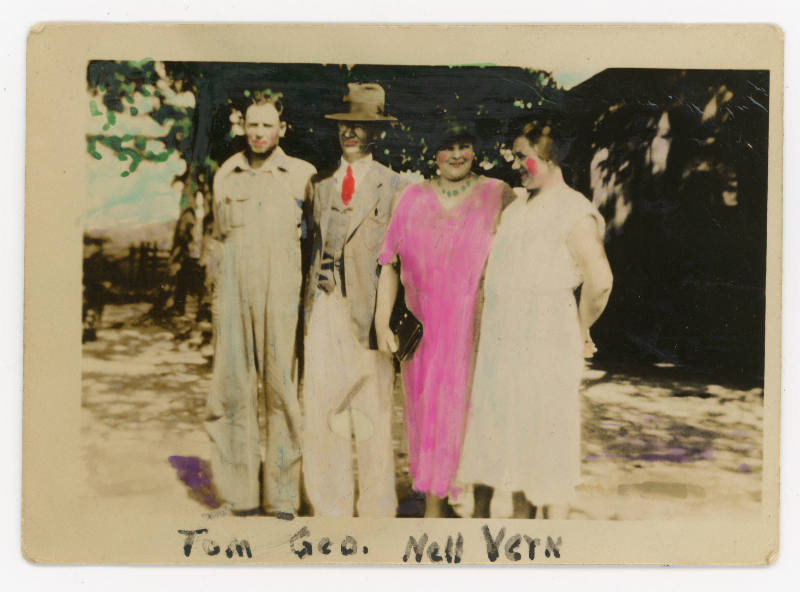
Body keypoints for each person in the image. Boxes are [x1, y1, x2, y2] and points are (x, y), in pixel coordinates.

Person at [458, 119, 613, 519]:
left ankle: (550, 556)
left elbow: (600, 280)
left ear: (549, 157)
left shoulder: (573, 209)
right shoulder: (517, 209)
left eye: (523, 157)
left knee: (546, 443)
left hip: (546, 338)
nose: (515, 165)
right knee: (510, 442)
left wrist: (581, 330)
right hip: (503, 340)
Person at [374, 120, 515, 517]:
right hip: (425, 333)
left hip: (478, 327)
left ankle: (473, 508)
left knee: (475, 413)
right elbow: (388, 263)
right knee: (428, 415)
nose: (456, 154)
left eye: (465, 145)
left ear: (476, 149)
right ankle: (434, 507)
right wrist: (384, 324)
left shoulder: (497, 194)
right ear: (432, 153)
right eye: (448, 146)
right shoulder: (411, 197)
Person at [204, 94, 316, 516]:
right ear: (242, 126)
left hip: (282, 295)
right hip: (234, 294)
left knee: (281, 390)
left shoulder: (301, 175)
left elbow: (312, 240)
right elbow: (218, 237)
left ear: (281, 130)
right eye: (252, 125)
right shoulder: (226, 175)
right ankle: (240, 493)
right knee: (232, 389)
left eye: (267, 126)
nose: (258, 133)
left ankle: (283, 494)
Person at [302, 83, 407, 517]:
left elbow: (396, 263)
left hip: (370, 311)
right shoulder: (321, 186)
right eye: (346, 124)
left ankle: (377, 510)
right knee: (323, 408)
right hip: (325, 308)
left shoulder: (394, 186)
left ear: (375, 133)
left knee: (372, 412)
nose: (351, 132)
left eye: (361, 126)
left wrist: (385, 321)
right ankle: (331, 509)